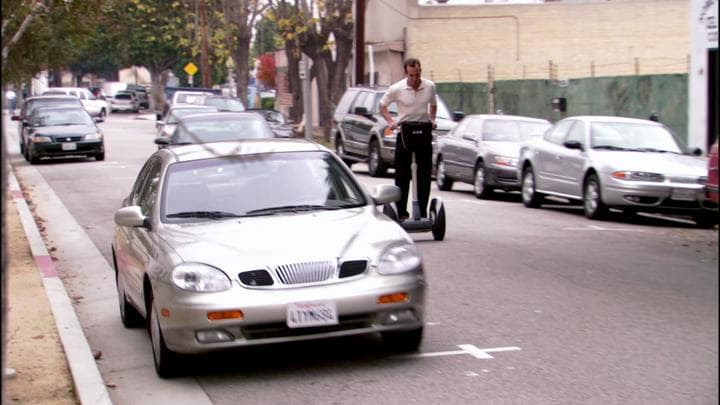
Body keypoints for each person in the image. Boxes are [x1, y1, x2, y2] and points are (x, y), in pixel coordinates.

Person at [379, 58, 437, 221]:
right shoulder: (396, 88)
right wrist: (391, 122)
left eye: (418, 74)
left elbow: (433, 104)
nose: (415, 78)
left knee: (424, 175)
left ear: (420, 71)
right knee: (402, 175)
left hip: (423, 129)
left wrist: (432, 119)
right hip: (404, 131)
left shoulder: (429, 86)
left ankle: (423, 213)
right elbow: (382, 105)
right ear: (406, 73)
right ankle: (402, 213)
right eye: (412, 75)